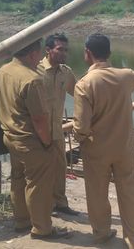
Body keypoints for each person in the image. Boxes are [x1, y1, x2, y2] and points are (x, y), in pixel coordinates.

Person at [73, 33, 134, 248]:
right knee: (128, 192)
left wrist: (77, 138)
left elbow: (81, 127)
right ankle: (133, 238)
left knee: (97, 193)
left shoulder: (84, 84)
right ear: (109, 53)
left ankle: (102, 233)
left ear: (88, 53)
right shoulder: (126, 76)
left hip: (97, 149)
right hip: (125, 147)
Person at [0, 39, 71, 240]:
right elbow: (39, 118)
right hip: (31, 140)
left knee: (19, 180)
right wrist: (47, 143)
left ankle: (21, 221)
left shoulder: (2, 71)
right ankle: (42, 228)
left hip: (10, 136)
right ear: (32, 54)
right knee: (39, 185)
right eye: (38, 53)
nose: (40, 58)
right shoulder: (31, 79)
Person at [37, 33, 78, 216]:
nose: (64, 53)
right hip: (38, 130)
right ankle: (42, 204)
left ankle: (60, 203)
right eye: (60, 49)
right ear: (48, 50)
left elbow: (79, 94)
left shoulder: (66, 72)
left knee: (60, 168)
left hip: (57, 130)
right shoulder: (35, 70)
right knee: (40, 169)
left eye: (66, 50)